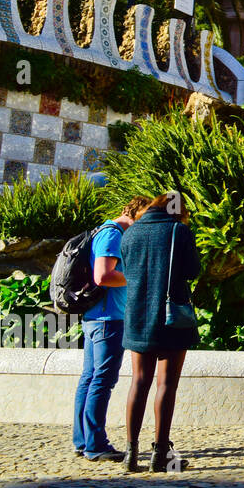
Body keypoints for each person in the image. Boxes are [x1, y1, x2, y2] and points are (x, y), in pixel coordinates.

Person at [120, 192, 201, 473]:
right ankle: (161, 453)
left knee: (138, 382)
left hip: (137, 315)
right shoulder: (179, 231)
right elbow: (193, 271)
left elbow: (128, 272)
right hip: (170, 318)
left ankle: (130, 453)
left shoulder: (130, 233)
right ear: (178, 210)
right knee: (166, 384)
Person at [73, 196, 149, 463]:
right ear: (137, 214)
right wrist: (139, 276)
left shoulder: (107, 232)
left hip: (99, 318)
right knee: (102, 380)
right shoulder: (113, 234)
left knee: (91, 378)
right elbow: (103, 276)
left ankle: (83, 441)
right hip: (108, 319)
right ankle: (95, 444)